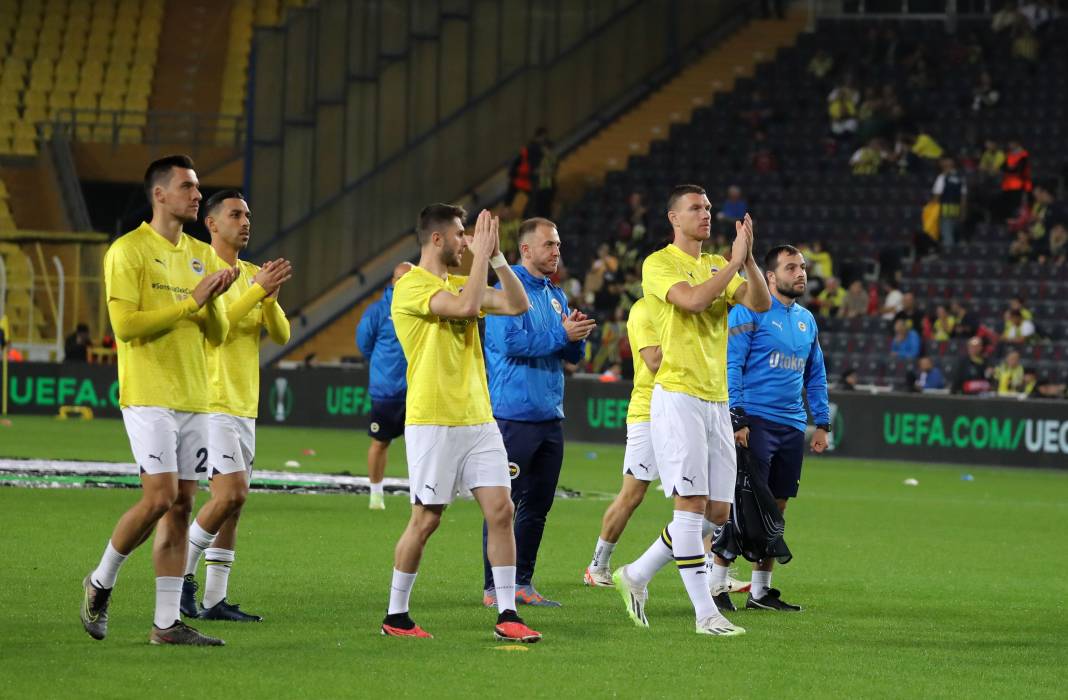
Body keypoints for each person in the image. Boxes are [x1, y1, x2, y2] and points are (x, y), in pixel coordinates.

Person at [80, 155, 237, 646]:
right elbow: (125, 327)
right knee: (160, 497)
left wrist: (210, 301)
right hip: (149, 393)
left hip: (194, 394)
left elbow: (219, 332)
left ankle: (166, 624)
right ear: (159, 194)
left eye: (197, 187)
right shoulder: (127, 252)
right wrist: (191, 301)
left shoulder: (202, 254)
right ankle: (101, 579)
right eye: (188, 187)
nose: (197, 194)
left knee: (182, 506)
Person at [612, 184, 771, 637]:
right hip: (677, 394)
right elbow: (694, 300)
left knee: (717, 512)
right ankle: (706, 615)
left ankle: (637, 574)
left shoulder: (719, 264)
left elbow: (758, 303)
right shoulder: (658, 263)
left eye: (707, 208)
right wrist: (734, 265)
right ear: (673, 218)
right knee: (690, 507)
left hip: (715, 398)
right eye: (695, 208)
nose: (705, 214)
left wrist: (749, 261)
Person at [381, 204, 541, 642]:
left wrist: (495, 259)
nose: (465, 241)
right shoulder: (410, 285)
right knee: (426, 519)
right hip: (433, 420)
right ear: (436, 240)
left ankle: (507, 613)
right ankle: (396, 615)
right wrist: (480, 260)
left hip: (478, 418)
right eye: (458, 234)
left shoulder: (459, 279)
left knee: (502, 510)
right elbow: (467, 305)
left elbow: (516, 302)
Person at [180, 191, 292, 622]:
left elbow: (279, 333)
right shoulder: (201, 270)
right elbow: (218, 331)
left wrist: (269, 295)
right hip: (212, 401)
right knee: (231, 494)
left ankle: (213, 600)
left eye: (248, 214)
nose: (246, 221)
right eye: (235, 214)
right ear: (211, 223)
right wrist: (256, 291)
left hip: (244, 404)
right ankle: (183, 578)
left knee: (234, 505)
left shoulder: (250, 273)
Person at [481, 217, 594, 607]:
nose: (556, 251)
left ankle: (523, 583)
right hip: (513, 416)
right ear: (525, 250)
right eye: (549, 245)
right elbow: (512, 343)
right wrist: (561, 335)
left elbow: (569, 356)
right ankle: (494, 588)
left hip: (549, 416)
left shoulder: (555, 295)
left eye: (558, 244)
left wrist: (575, 337)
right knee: (502, 507)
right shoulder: (503, 292)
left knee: (538, 507)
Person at [723, 244, 829, 612]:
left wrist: (821, 422)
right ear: (770, 276)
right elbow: (731, 364)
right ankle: (717, 584)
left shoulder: (807, 320)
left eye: (801, 267)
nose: (800, 273)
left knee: (777, 507)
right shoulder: (748, 311)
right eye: (790, 268)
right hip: (756, 421)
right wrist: (737, 417)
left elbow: (815, 374)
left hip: (791, 426)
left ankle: (760, 592)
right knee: (744, 505)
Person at [583, 297, 661, 587]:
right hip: (649, 411)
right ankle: (597, 565)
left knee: (701, 500)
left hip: (688, 411)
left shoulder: (689, 309)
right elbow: (653, 361)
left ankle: (712, 575)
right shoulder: (645, 309)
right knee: (632, 494)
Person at [356, 261, 413, 511]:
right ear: (392, 281)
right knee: (380, 441)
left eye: (408, 279)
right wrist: (384, 367)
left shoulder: (423, 307)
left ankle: (424, 493)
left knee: (422, 445)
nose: (402, 284)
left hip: (417, 390)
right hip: (388, 390)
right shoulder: (378, 311)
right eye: (398, 278)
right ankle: (376, 495)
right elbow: (364, 344)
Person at [932, 156, 967, 249]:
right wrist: (963, 212)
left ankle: (949, 256)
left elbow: (936, 196)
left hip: (944, 211)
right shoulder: (960, 177)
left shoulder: (942, 177)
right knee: (955, 236)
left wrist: (934, 212)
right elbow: (963, 198)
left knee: (948, 238)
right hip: (956, 211)